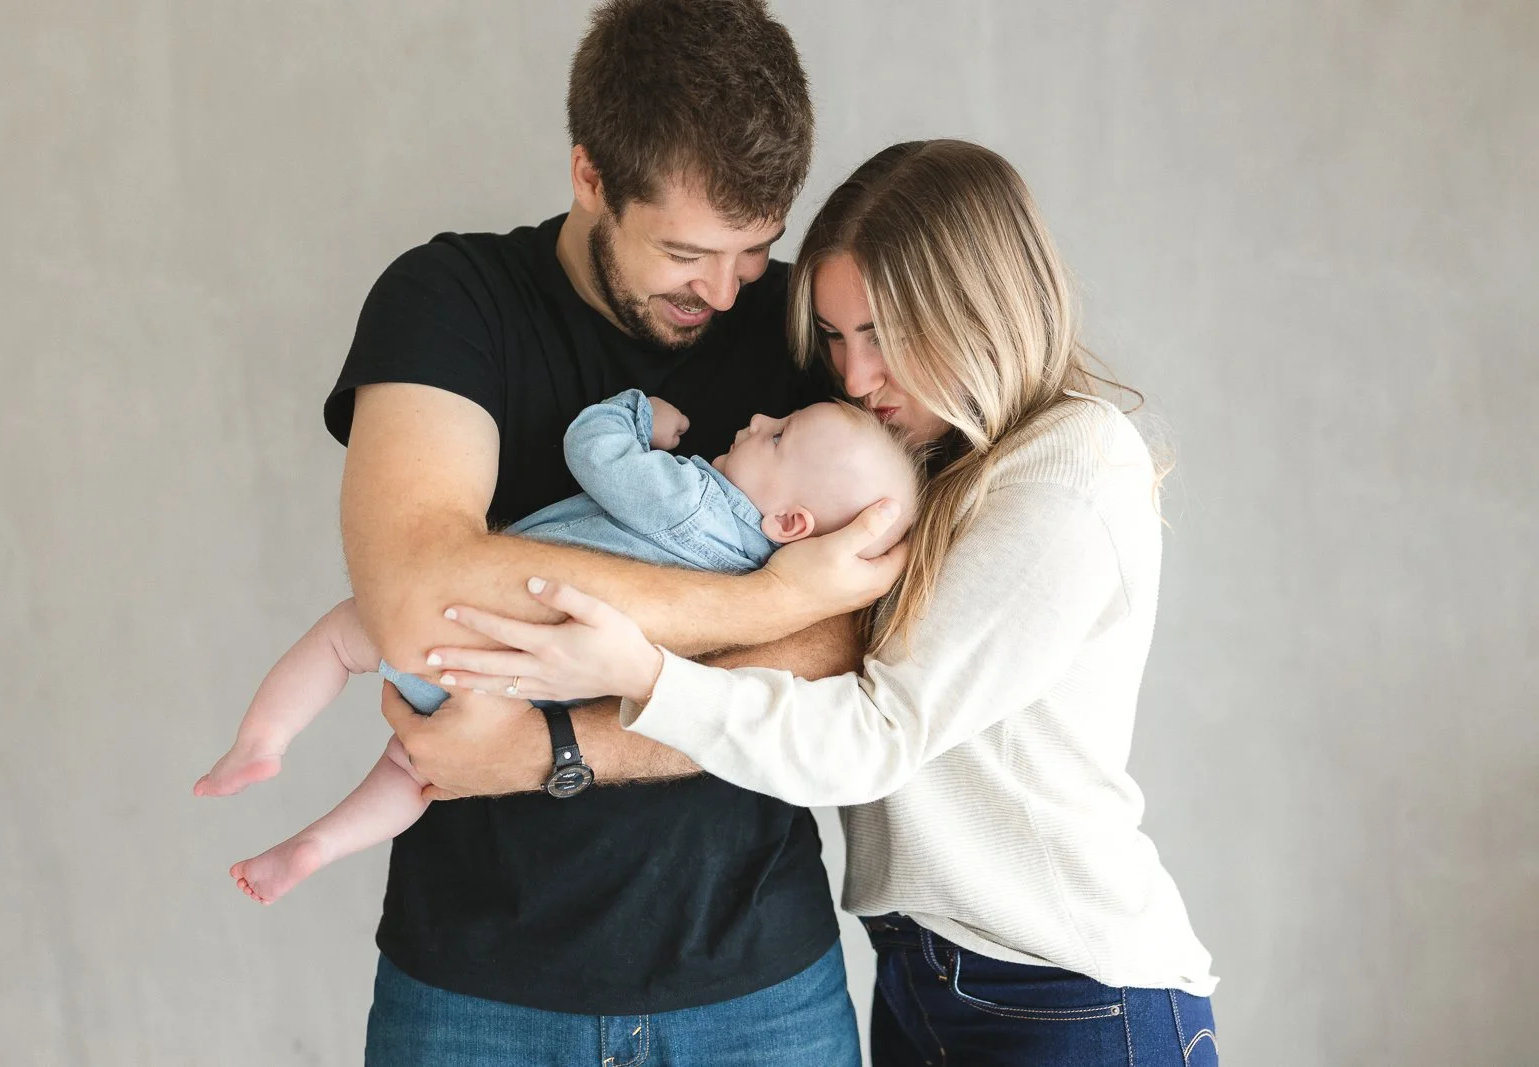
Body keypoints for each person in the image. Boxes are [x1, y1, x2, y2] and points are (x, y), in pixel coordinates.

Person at [419, 140, 1222, 1066]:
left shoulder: (1071, 467)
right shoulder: (934, 466)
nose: (852, 377)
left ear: (980, 305)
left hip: (1071, 989)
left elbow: (876, 735)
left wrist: (643, 677)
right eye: (838, 339)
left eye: (882, 333)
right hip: (928, 977)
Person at [317, 1, 909, 1063]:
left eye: (754, 249)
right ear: (590, 175)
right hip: (473, 990)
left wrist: (554, 747)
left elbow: (851, 650)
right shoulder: (449, 301)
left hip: (761, 985)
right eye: (687, 251)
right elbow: (414, 598)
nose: (725, 291)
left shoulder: (800, 339)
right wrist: (764, 602)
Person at [196, 388, 921, 906]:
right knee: (414, 772)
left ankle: (263, 735)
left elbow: (594, 450)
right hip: (518, 696)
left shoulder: (693, 497)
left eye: (780, 435)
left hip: (465, 624)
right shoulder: (749, 579)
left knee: (341, 634)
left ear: (792, 520)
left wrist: (640, 414)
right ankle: (316, 845)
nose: (759, 416)